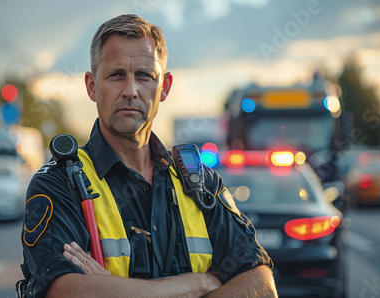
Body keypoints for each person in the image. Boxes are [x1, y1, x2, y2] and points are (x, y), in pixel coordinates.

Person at [19, 14, 277, 297]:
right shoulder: (58, 185)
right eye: (116, 75)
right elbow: (66, 292)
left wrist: (113, 289)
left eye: (144, 75)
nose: (130, 91)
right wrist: (198, 284)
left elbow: (261, 284)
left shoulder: (202, 184)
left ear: (163, 87)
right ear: (92, 86)